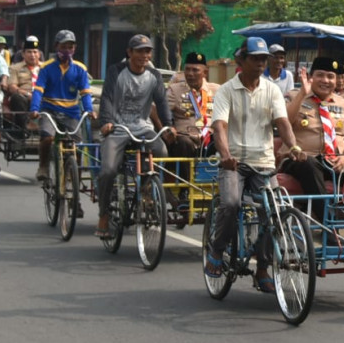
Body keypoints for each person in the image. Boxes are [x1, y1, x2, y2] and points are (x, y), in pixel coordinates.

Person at [206, 36, 304, 292]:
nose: (261, 63)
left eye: (264, 59)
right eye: (256, 58)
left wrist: (292, 146)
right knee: (230, 203)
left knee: (273, 213)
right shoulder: (226, 90)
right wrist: (225, 155)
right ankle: (216, 251)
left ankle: (262, 269)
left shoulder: (271, 90)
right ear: (241, 60)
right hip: (234, 163)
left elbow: (283, 122)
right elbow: (220, 127)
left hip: (263, 162)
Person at [95, 35, 174, 238]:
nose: (144, 55)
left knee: (162, 151)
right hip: (119, 128)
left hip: (143, 127)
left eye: (147, 51)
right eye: (139, 51)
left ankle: (148, 192)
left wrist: (168, 126)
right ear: (129, 53)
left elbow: (162, 103)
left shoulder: (154, 75)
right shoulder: (116, 71)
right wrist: (105, 122)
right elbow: (107, 98)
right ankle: (103, 215)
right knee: (108, 170)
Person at [281, 56, 344, 197]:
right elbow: (284, 122)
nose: (325, 80)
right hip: (301, 159)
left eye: (330, 76)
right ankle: (325, 216)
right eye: (320, 75)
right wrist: (302, 94)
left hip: (335, 162)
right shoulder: (294, 97)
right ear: (310, 77)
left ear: (336, 80)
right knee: (309, 163)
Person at [30, 30, 94, 185]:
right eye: (64, 46)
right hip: (49, 110)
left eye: (70, 47)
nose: (67, 50)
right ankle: (43, 166)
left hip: (71, 112)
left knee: (77, 147)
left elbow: (85, 92)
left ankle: (75, 182)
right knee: (47, 138)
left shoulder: (80, 69)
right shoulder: (46, 67)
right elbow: (39, 90)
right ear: (56, 46)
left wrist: (89, 110)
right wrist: (35, 108)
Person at [161, 51, 219, 158]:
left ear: (205, 73)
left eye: (195, 70)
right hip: (185, 137)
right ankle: (186, 176)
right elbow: (161, 110)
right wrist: (169, 127)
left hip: (210, 137)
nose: (190, 74)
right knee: (184, 143)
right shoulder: (175, 90)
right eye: (187, 69)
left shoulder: (217, 90)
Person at [5, 36, 42, 116]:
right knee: (16, 97)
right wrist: (28, 95)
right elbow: (12, 87)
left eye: (35, 52)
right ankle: (25, 125)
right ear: (23, 54)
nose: (32, 55)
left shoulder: (46, 68)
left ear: (39, 54)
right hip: (24, 98)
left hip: (42, 98)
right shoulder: (15, 68)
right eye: (29, 52)